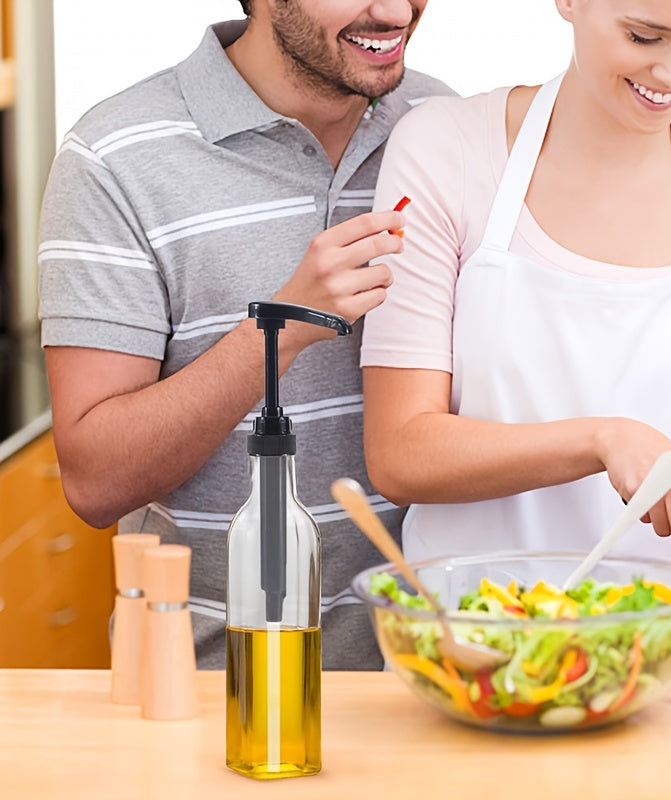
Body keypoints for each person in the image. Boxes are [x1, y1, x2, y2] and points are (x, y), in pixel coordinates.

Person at [360, 0, 671, 663]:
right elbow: (401, 452)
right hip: (471, 645)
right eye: (644, 35)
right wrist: (602, 439)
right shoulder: (445, 147)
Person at [37, 0, 453, 670]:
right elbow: (96, 480)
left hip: (432, 679)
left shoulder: (437, 126)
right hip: (212, 687)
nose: (393, 10)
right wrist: (280, 327)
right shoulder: (117, 156)